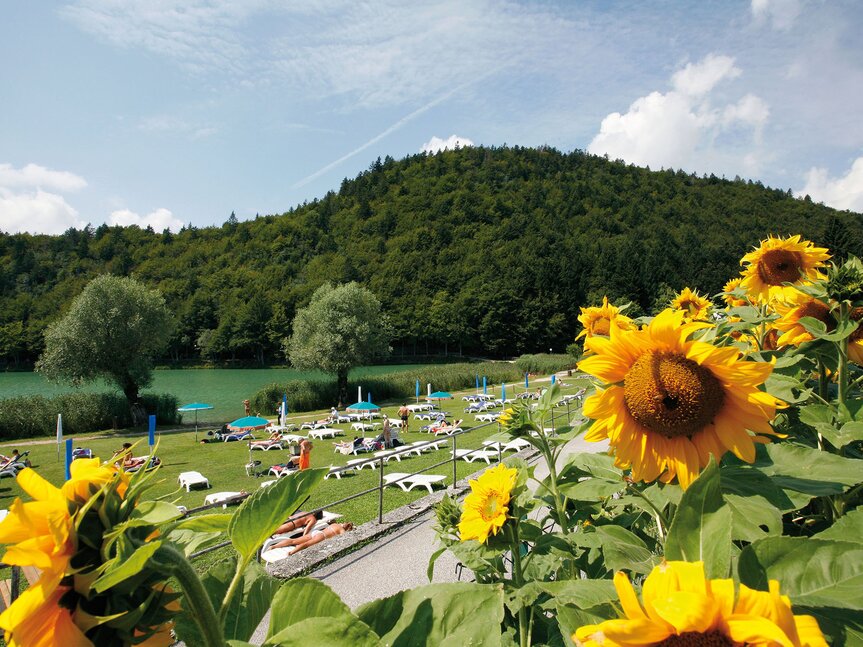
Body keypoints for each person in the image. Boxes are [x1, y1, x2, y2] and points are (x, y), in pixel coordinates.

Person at [270, 522, 354, 555]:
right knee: (306, 544)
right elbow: (346, 537)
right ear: (347, 528)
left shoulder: (335, 524)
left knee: (294, 540)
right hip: (322, 536)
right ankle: (291, 552)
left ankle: (273, 546)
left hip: (317, 532)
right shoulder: (341, 530)